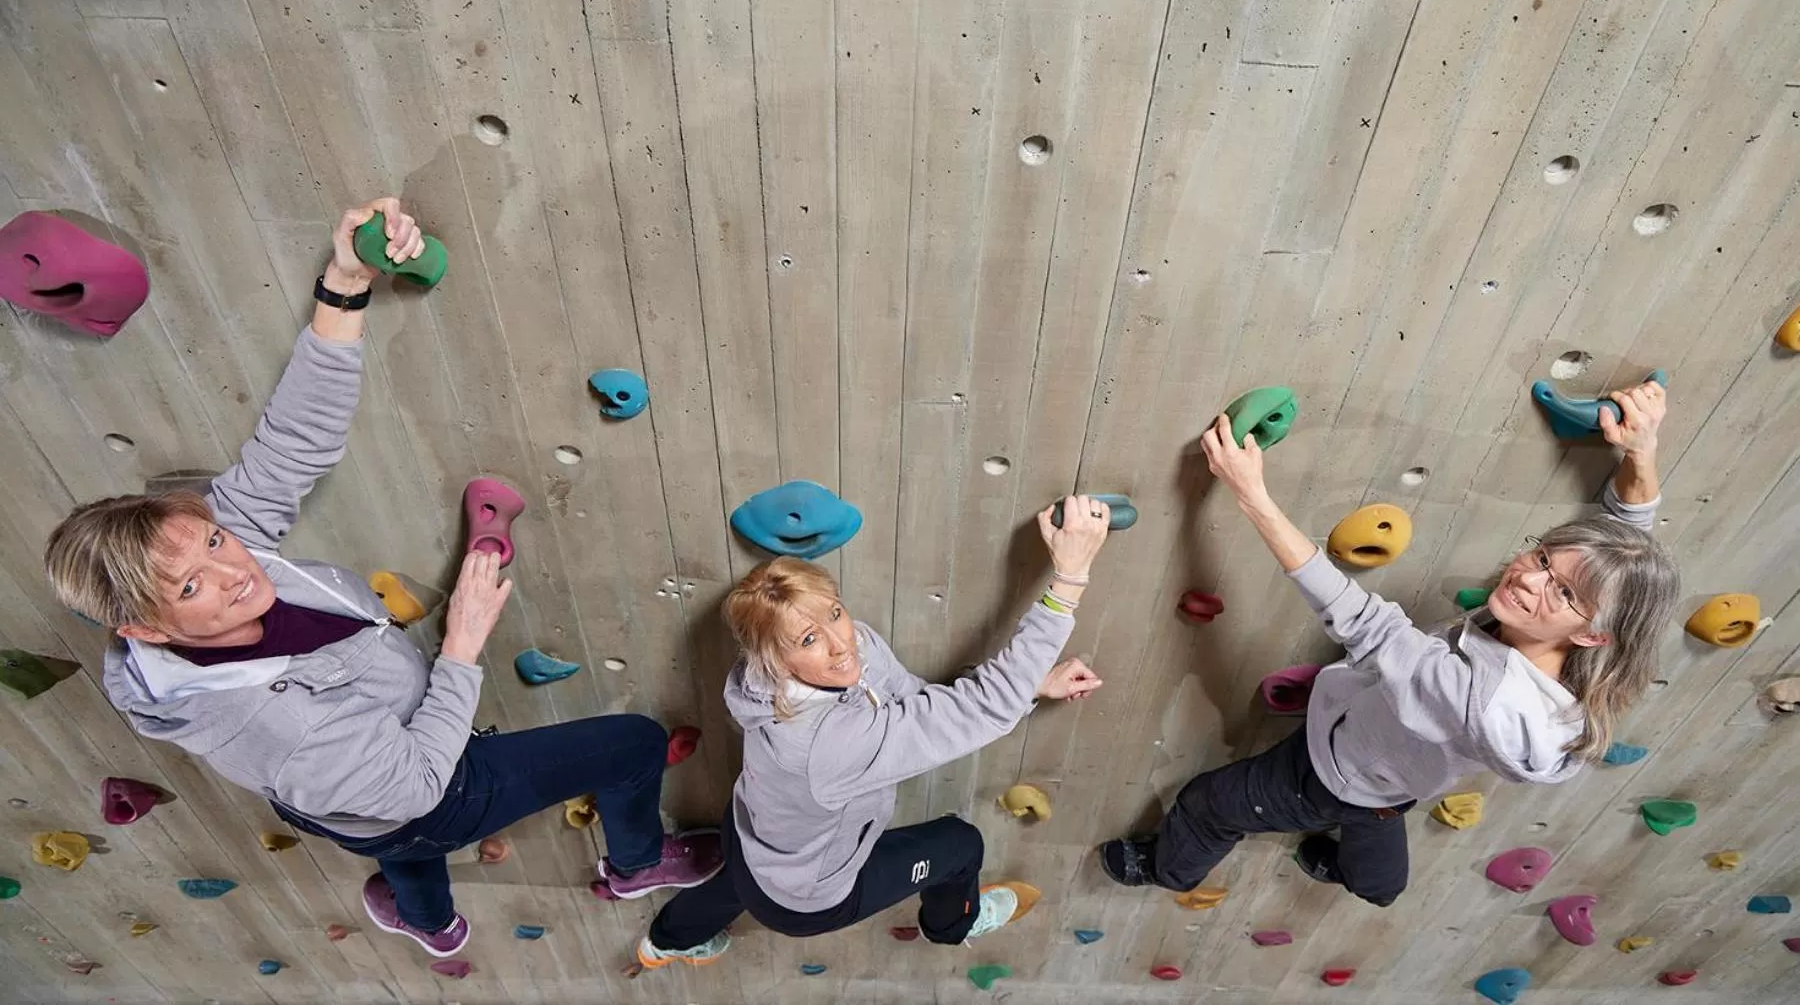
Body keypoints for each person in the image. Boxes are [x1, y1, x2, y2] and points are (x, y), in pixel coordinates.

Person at [43, 198, 720, 957]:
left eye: (215, 541)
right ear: (142, 628)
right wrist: (460, 647)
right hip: (424, 794)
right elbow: (414, 786)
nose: (233, 571)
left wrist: (345, 280)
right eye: (191, 587)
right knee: (629, 744)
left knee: (392, 844)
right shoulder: (276, 729)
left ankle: (429, 922)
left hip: (339, 800)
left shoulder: (226, 564)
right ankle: (634, 865)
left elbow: (294, 443)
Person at [1101, 381, 1679, 908]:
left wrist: (1251, 494)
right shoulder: (1585, 648)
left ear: (1591, 632)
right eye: (1543, 557)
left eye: (1560, 591)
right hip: (1394, 773)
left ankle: (1168, 870)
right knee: (1376, 816)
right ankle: (1373, 879)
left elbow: (1365, 622)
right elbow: (1619, 550)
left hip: (1327, 771)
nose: (1528, 580)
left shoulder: (1474, 694)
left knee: (1208, 804)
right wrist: (1641, 452)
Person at [633, 497, 1114, 969]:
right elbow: (981, 708)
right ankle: (952, 926)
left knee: (740, 880)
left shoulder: (811, 662)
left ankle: (664, 941)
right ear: (776, 660)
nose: (841, 644)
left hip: (749, 834)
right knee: (961, 846)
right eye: (808, 639)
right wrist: (1068, 581)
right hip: (807, 899)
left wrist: (1029, 685)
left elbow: (923, 705)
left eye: (835, 613)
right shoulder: (828, 744)